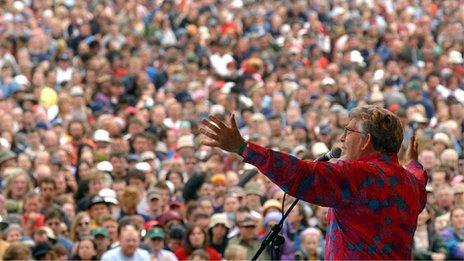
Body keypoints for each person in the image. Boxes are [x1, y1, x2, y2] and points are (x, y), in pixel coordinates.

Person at [200, 105, 427, 259]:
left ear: (366, 140)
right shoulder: (410, 183)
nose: (342, 138)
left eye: (348, 131)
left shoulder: (359, 175)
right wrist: (413, 163)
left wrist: (244, 148)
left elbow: (301, 175)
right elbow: (418, 176)